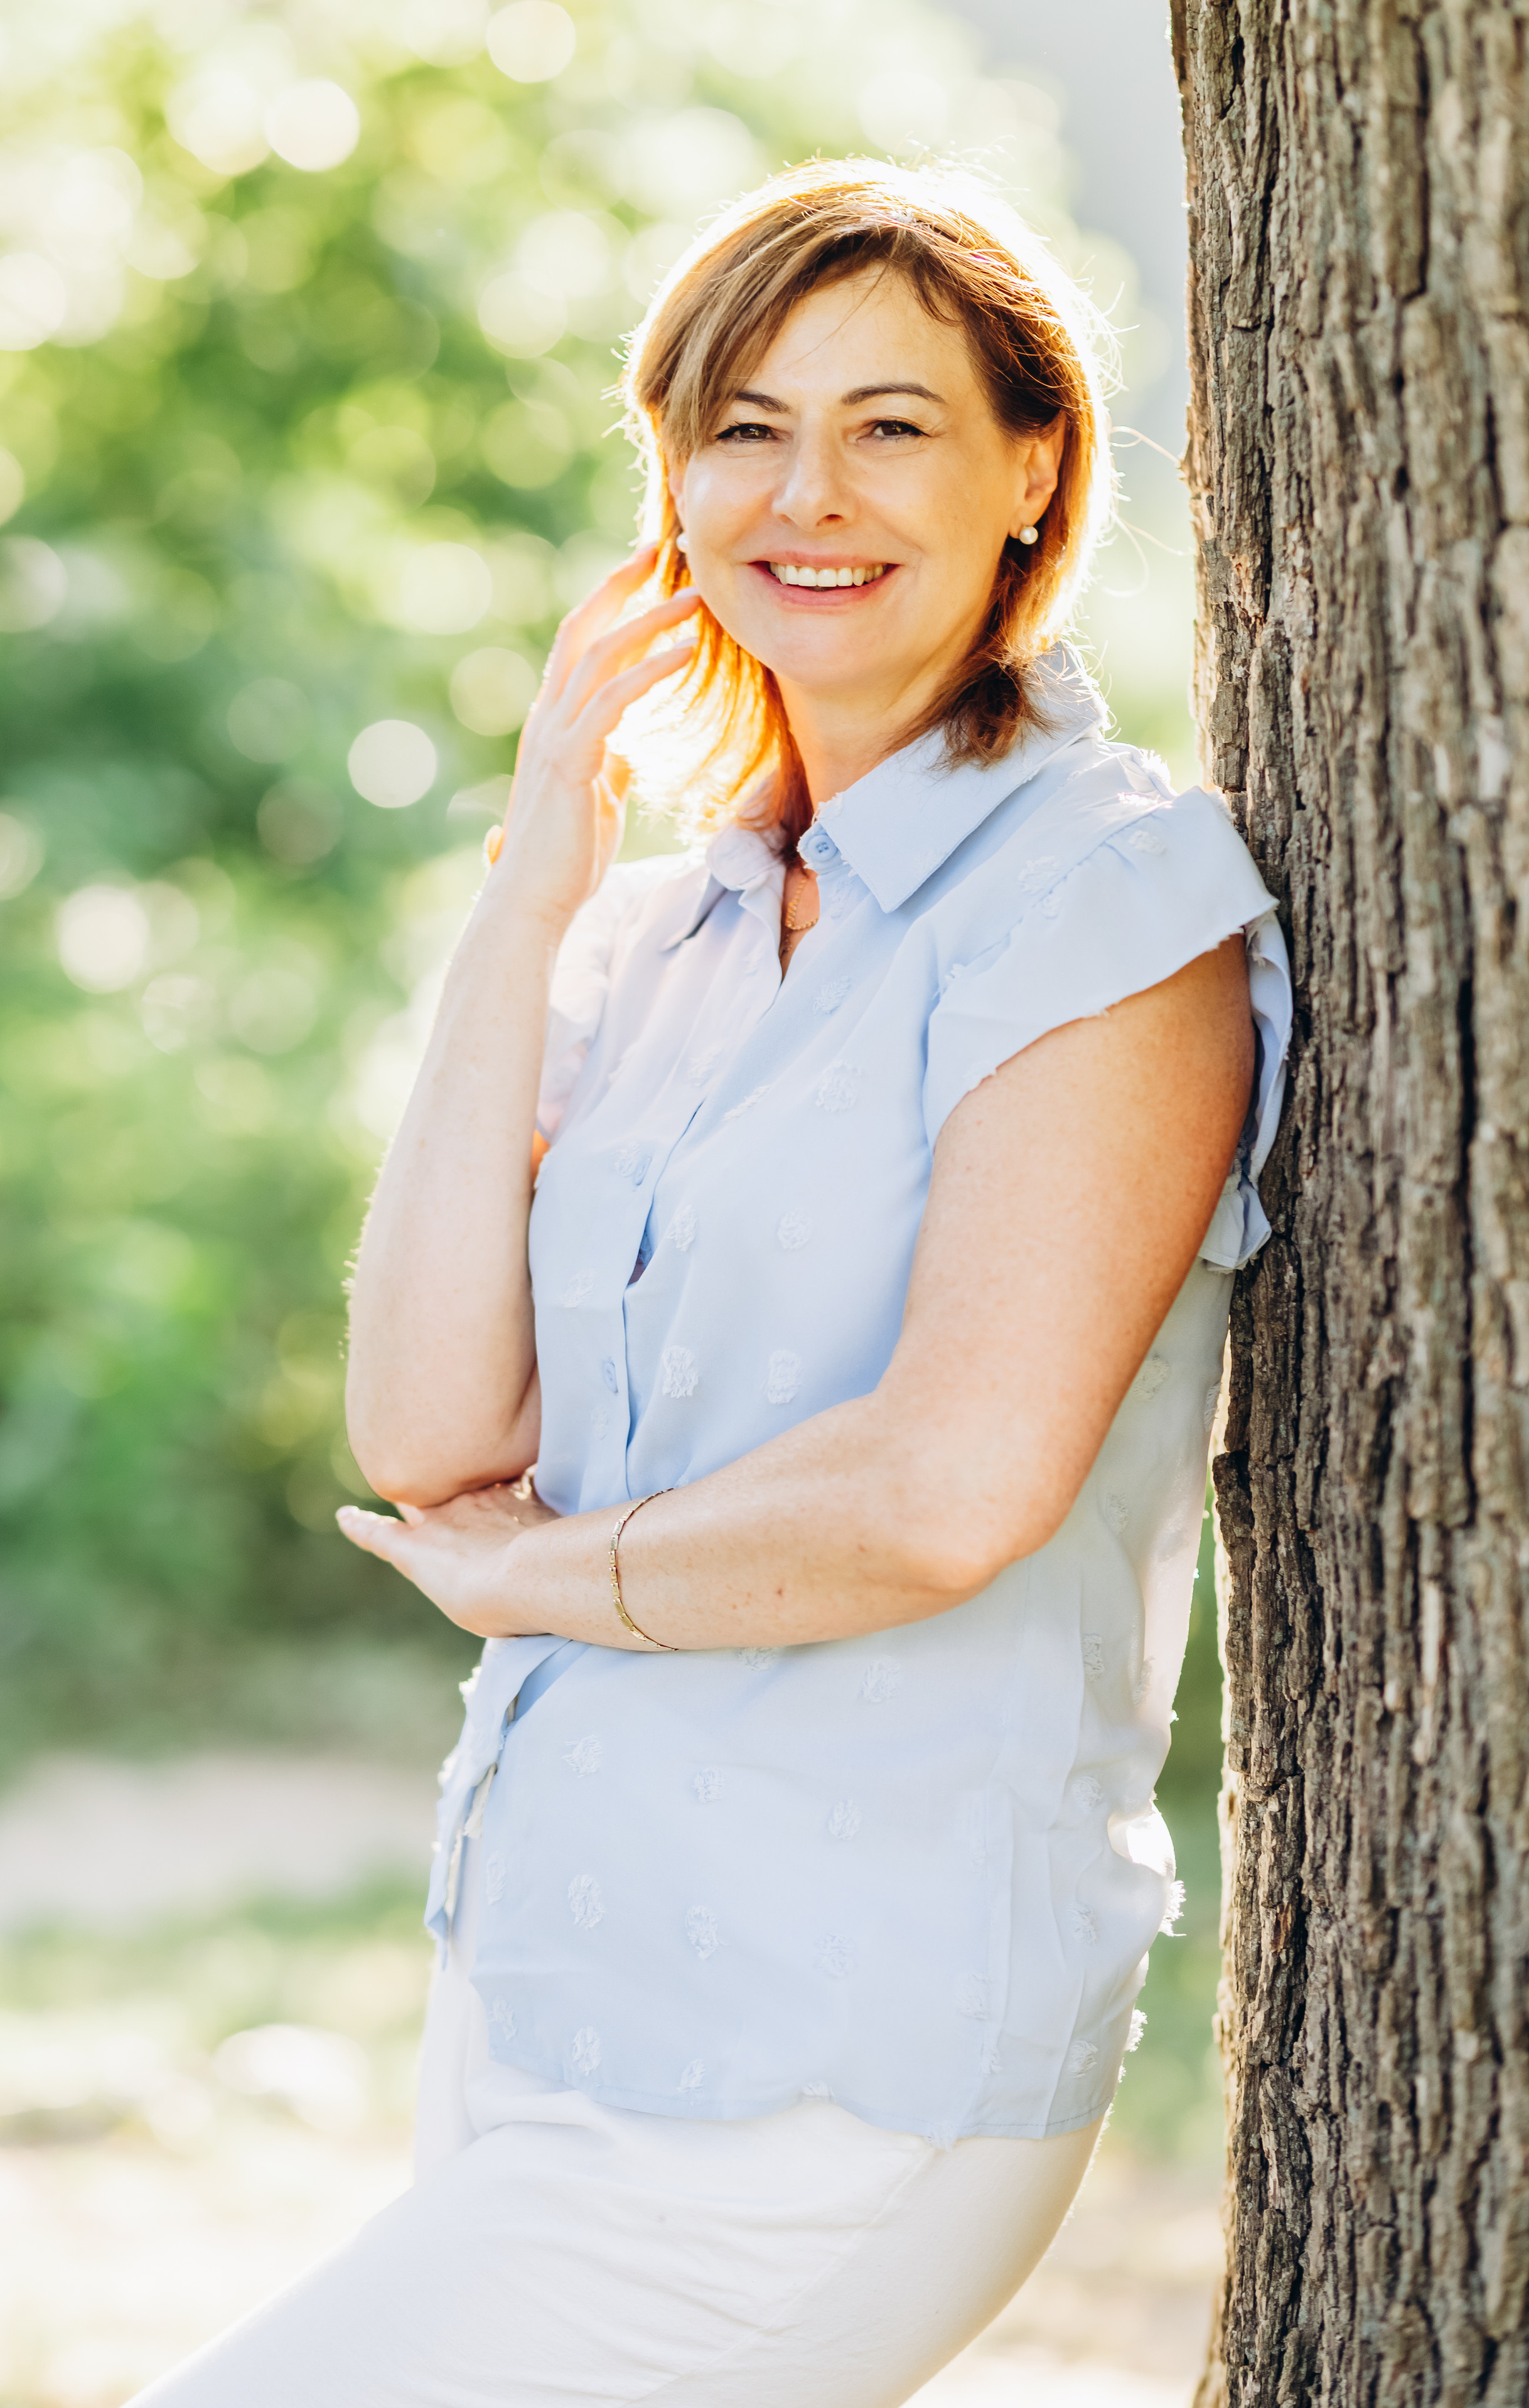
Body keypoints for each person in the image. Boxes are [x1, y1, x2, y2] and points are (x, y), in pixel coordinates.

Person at [134, 159, 1290, 2408]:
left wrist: (549, 1579)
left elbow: (947, 1487)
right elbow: (427, 1425)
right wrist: (539, 857)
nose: (807, 492)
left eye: (893, 422)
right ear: (668, 477)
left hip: (841, 2062)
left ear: (1036, 463)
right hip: (554, 1992)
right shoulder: (669, 930)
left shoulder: (1109, 903)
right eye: (744, 423)